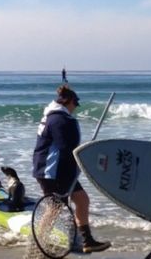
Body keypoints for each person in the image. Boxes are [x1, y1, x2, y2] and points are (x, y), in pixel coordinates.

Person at [32, 85, 111, 253]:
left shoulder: (55, 116)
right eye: (75, 104)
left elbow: (66, 148)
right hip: (52, 171)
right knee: (55, 207)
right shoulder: (60, 119)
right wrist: (84, 159)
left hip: (61, 170)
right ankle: (39, 242)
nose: (75, 108)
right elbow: (65, 148)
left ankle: (86, 240)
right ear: (68, 101)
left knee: (82, 200)